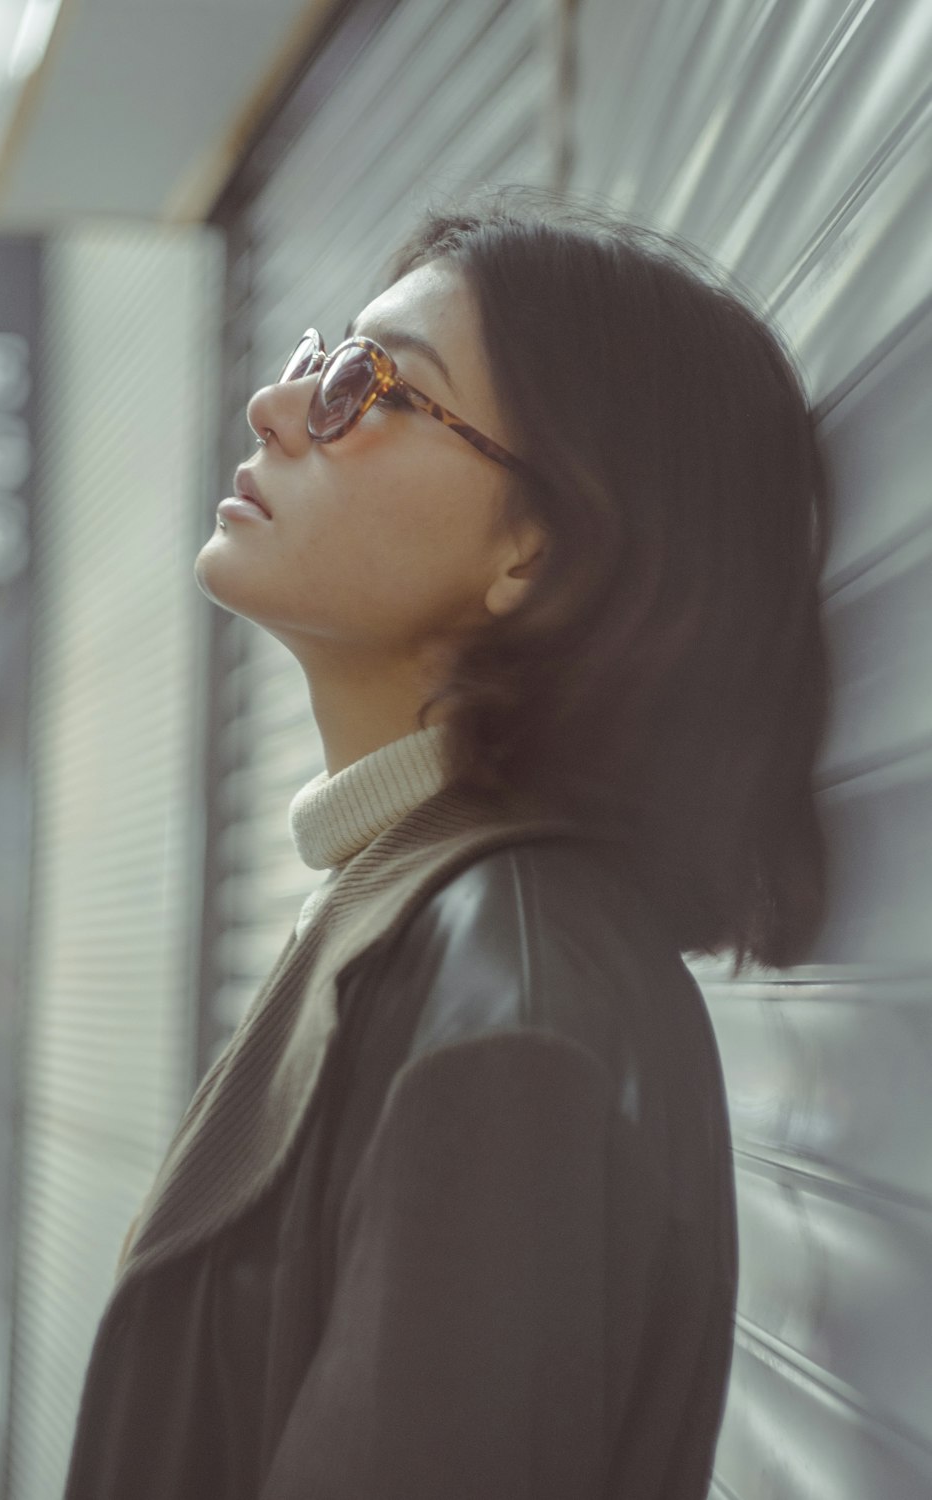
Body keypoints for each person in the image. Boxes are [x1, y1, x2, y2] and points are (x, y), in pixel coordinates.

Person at [61, 183, 831, 1499]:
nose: (279, 405)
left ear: (537, 549)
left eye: (373, 385)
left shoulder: (512, 1006)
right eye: (320, 358)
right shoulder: (434, 921)